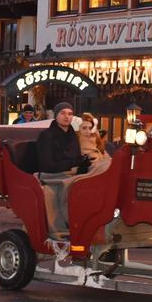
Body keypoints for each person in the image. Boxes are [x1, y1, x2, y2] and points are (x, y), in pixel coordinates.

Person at [36, 102, 90, 239]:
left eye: (70, 114)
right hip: (52, 175)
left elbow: (76, 158)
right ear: (56, 115)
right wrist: (72, 164)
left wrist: (82, 164)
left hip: (71, 173)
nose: (67, 117)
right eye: (63, 113)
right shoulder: (46, 136)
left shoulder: (73, 135)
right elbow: (47, 164)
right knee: (66, 189)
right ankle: (61, 228)